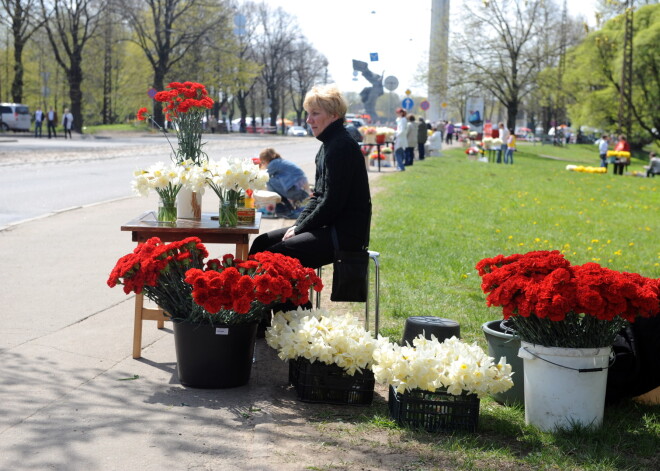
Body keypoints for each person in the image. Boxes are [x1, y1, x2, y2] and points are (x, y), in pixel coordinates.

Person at [249, 85, 371, 274]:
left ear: (334, 115)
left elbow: (332, 203)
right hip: (329, 226)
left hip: (346, 233)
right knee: (262, 243)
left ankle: (290, 304)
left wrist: (300, 228)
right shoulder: (328, 145)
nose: (308, 120)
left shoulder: (340, 147)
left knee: (276, 256)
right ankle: (251, 299)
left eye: (315, 113)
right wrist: (299, 225)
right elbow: (317, 197)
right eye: (308, 113)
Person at [258, 147, 310, 217]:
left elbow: (263, 176)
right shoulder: (280, 161)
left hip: (294, 190)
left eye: (263, 162)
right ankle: (287, 207)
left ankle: (278, 204)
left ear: (265, 160)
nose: (263, 164)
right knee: (272, 179)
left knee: (268, 180)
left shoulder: (273, 163)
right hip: (300, 189)